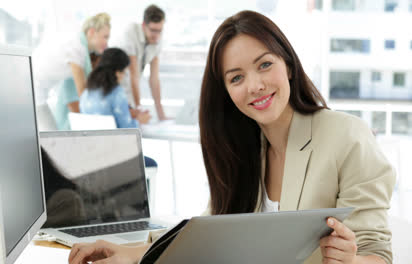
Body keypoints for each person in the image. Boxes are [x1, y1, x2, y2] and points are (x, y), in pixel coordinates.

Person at [68, 11, 395, 264]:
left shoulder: (347, 137)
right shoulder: (243, 149)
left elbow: (377, 252)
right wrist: (131, 251)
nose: (255, 85)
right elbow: (206, 234)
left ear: (289, 66)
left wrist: (350, 259)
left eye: (265, 65)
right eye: (237, 77)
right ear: (226, 93)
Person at [33, 13, 111, 130]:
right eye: (105, 37)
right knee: (51, 137)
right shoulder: (77, 48)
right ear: (91, 32)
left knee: (50, 137)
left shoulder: (81, 49)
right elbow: (83, 93)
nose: (106, 43)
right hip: (33, 91)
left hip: (38, 92)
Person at [118, 4, 168, 121]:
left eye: (159, 31)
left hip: (131, 92)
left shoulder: (157, 38)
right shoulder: (130, 32)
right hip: (119, 90)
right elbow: (133, 75)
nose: (156, 35)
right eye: (153, 30)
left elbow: (154, 79)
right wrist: (138, 109)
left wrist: (161, 114)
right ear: (144, 25)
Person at [80, 47, 151, 128]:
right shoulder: (117, 93)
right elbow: (127, 129)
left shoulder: (86, 93)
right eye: (124, 72)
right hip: (113, 140)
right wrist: (140, 121)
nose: (124, 76)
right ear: (117, 73)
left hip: (91, 140)